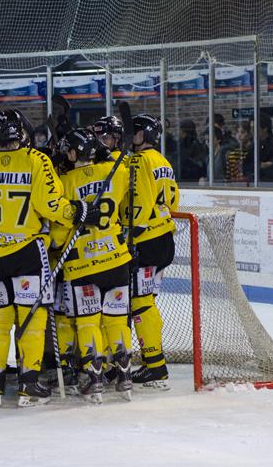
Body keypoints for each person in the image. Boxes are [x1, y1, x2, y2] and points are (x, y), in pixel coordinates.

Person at [0, 109, 98, 407]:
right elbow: (50, 206)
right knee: (32, 321)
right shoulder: (36, 160)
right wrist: (78, 211)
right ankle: (29, 384)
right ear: (20, 132)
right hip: (28, 254)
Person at [50, 127, 133, 404]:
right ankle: (124, 376)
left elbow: (60, 232)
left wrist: (53, 244)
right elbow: (120, 182)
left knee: (87, 322)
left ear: (73, 154)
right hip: (117, 261)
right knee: (116, 320)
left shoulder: (63, 183)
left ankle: (95, 379)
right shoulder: (116, 173)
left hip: (83, 265)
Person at [126, 114, 179, 391]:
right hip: (164, 240)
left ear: (144, 134)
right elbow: (173, 199)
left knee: (140, 302)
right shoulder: (162, 160)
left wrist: (131, 232)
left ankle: (155, 366)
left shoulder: (139, 161)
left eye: (133, 131)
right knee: (145, 301)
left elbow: (140, 201)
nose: (129, 134)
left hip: (145, 240)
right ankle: (153, 363)